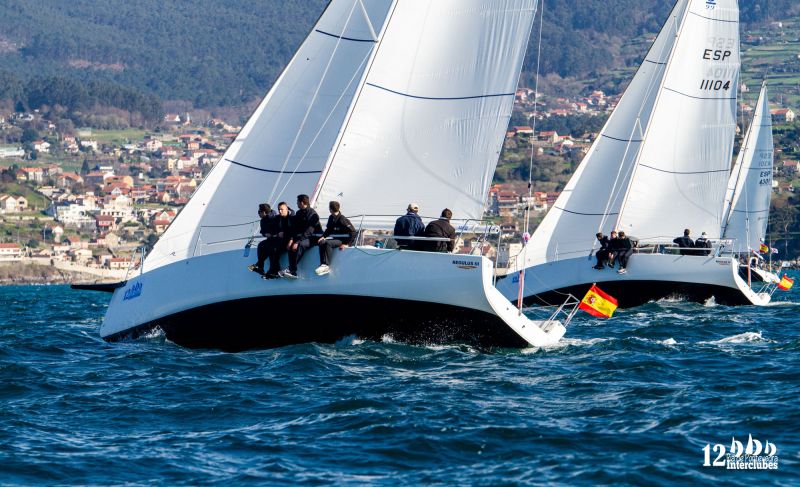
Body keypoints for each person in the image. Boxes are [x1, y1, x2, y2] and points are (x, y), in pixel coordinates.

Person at [280, 194, 322, 279]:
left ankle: (291, 269)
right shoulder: (299, 213)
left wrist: (297, 242)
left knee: (301, 245)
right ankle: (293, 272)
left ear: (302, 203)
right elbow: (295, 228)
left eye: (297, 202)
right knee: (290, 246)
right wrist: (292, 240)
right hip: (303, 237)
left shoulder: (313, 214)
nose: (296, 204)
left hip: (314, 238)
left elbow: (309, 231)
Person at [315, 201, 357, 276]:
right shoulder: (331, 218)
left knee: (327, 243)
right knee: (322, 242)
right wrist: (323, 237)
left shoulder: (342, 219)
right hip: (335, 239)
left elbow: (353, 232)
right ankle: (322, 264)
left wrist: (347, 244)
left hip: (342, 241)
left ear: (330, 209)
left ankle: (326, 265)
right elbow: (329, 229)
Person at [263, 201, 293, 279]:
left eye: (282, 209)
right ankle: (274, 270)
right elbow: (273, 229)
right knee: (270, 247)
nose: (280, 211)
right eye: (279, 209)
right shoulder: (278, 218)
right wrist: (277, 234)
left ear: (287, 209)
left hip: (290, 240)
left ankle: (274, 270)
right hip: (281, 240)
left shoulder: (292, 217)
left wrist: (291, 240)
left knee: (275, 248)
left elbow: (295, 230)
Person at [248, 203, 276, 275]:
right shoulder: (262, 221)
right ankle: (260, 267)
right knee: (260, 245)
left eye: (259, 212)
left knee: (269, 248)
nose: (258, 214)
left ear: (264, 212)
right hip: (270, 239)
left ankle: (259, 265)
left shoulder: (274, 217)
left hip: (277, 239)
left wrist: (273, 234)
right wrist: (266, 234)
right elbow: (262, 231)